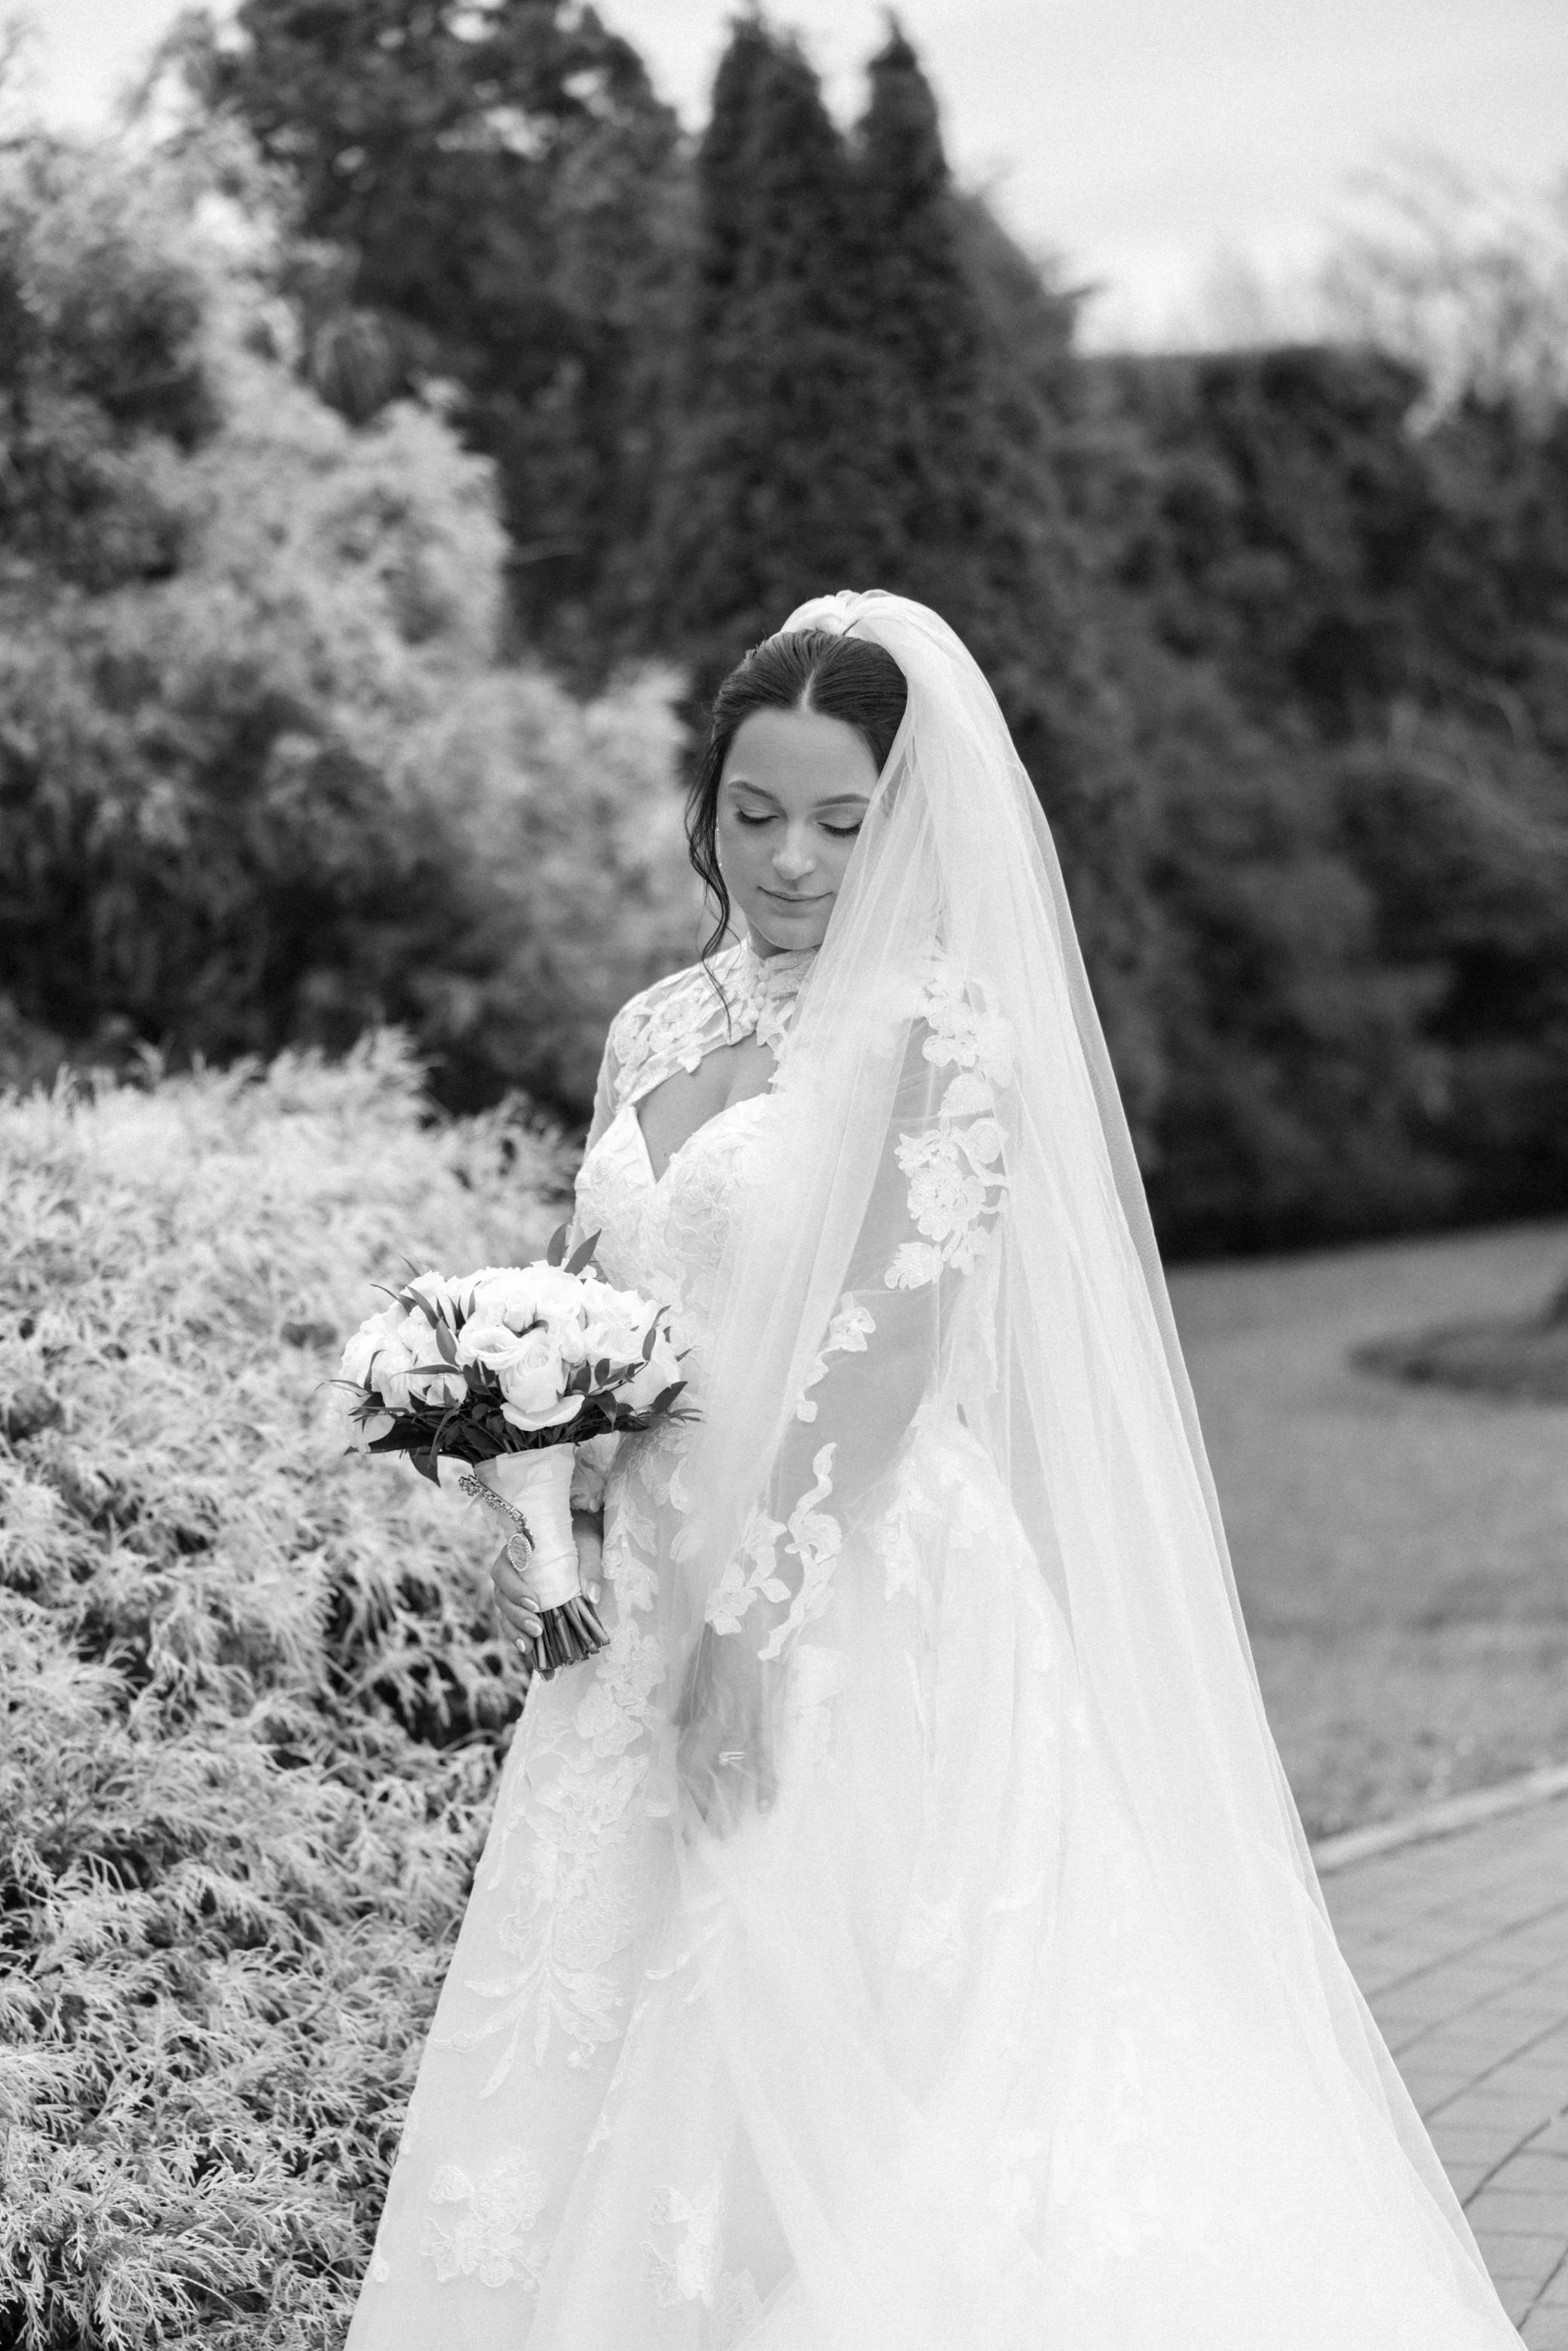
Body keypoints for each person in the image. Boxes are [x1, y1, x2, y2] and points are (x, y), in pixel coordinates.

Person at [346, 592, 1522, 2349]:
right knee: (606, 2004)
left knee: (853, 2015)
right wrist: (528, 1449)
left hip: (842, 1584)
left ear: (902, 821)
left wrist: (745, 1622)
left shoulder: (941, 1035)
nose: (793, 858)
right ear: (707, 806)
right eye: (756, 812)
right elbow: (603, 1292)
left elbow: (884, 1347)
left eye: (841, 819)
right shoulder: (651, 1026)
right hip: (634, 1589)